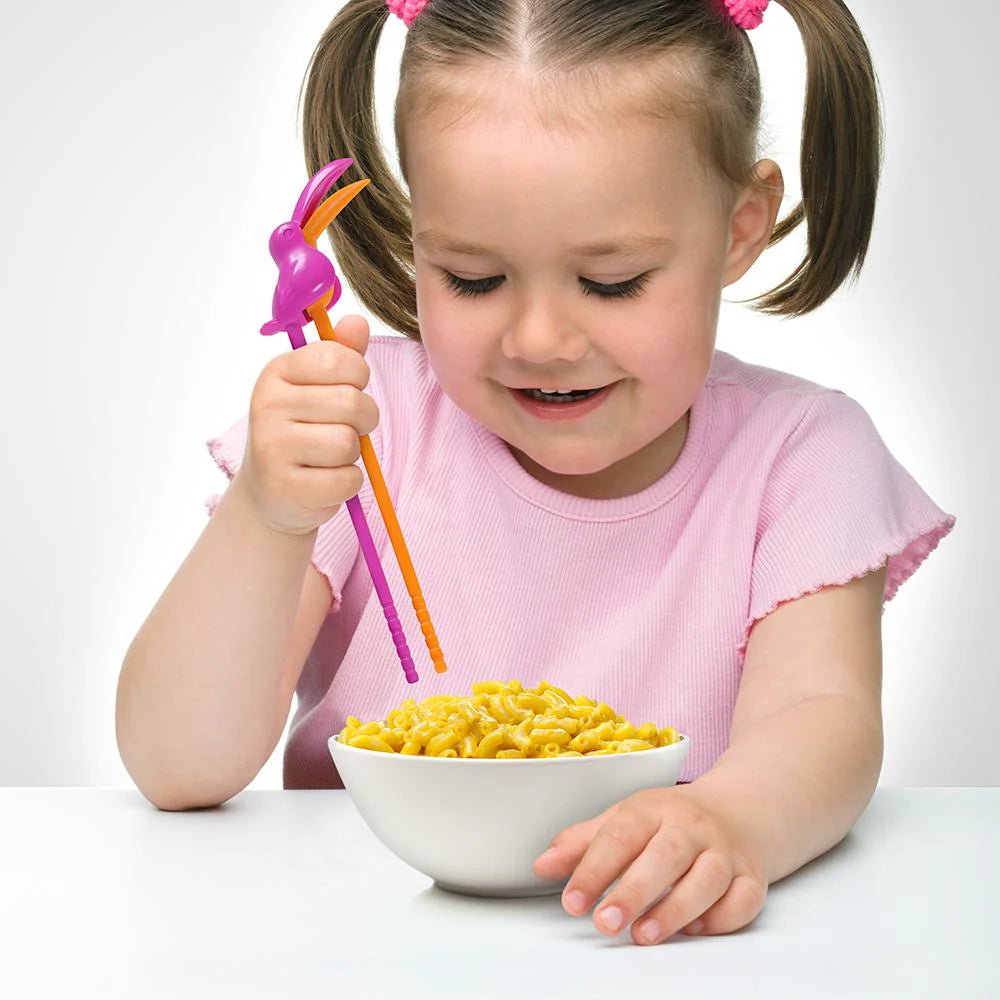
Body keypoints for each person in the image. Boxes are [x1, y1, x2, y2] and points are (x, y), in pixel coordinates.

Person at [116, 0, 956, 946]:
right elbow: (176, 767)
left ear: (739, 227)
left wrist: (732, 818)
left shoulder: (800, 456)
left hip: (649, 952)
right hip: (366, 939)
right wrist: (267, 515)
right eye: (473, 278)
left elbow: (821, 716)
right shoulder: (367, 426)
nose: (540, 341)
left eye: (611, 281)